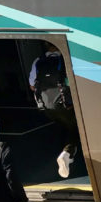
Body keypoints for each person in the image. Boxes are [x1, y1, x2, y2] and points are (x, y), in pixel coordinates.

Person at [28, 49, 79, 178]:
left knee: (62, 124)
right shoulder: (64, 59)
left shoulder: (37, 61)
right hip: (64, 105)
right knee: (75, 128)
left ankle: (62, 149)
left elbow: (32, 86)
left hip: (46, 107)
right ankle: (67, 153)